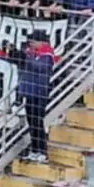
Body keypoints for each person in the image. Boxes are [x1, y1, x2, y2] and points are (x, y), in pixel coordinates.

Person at [19, 29, 56, 164]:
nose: (31, 45)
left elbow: (40, 67)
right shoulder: (31, 53)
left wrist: (27, 58)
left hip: (40, 93)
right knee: (31, 123)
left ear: (42, 42)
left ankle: (43, 152)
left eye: (33, 42)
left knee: (38, 122)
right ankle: (34, 150)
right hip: (30, 92)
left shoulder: (47, 55)